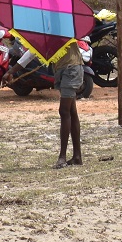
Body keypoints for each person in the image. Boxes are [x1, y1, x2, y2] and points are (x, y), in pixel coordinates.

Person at [53, 40, 85, 168]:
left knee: (64, 111)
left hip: (72, 69)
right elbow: (32, 53)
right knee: (71, 111)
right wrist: (12, 71)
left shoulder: (67, 28)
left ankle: (62, 157)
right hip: (60, 69)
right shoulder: (48, 32)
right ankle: (77, 157)